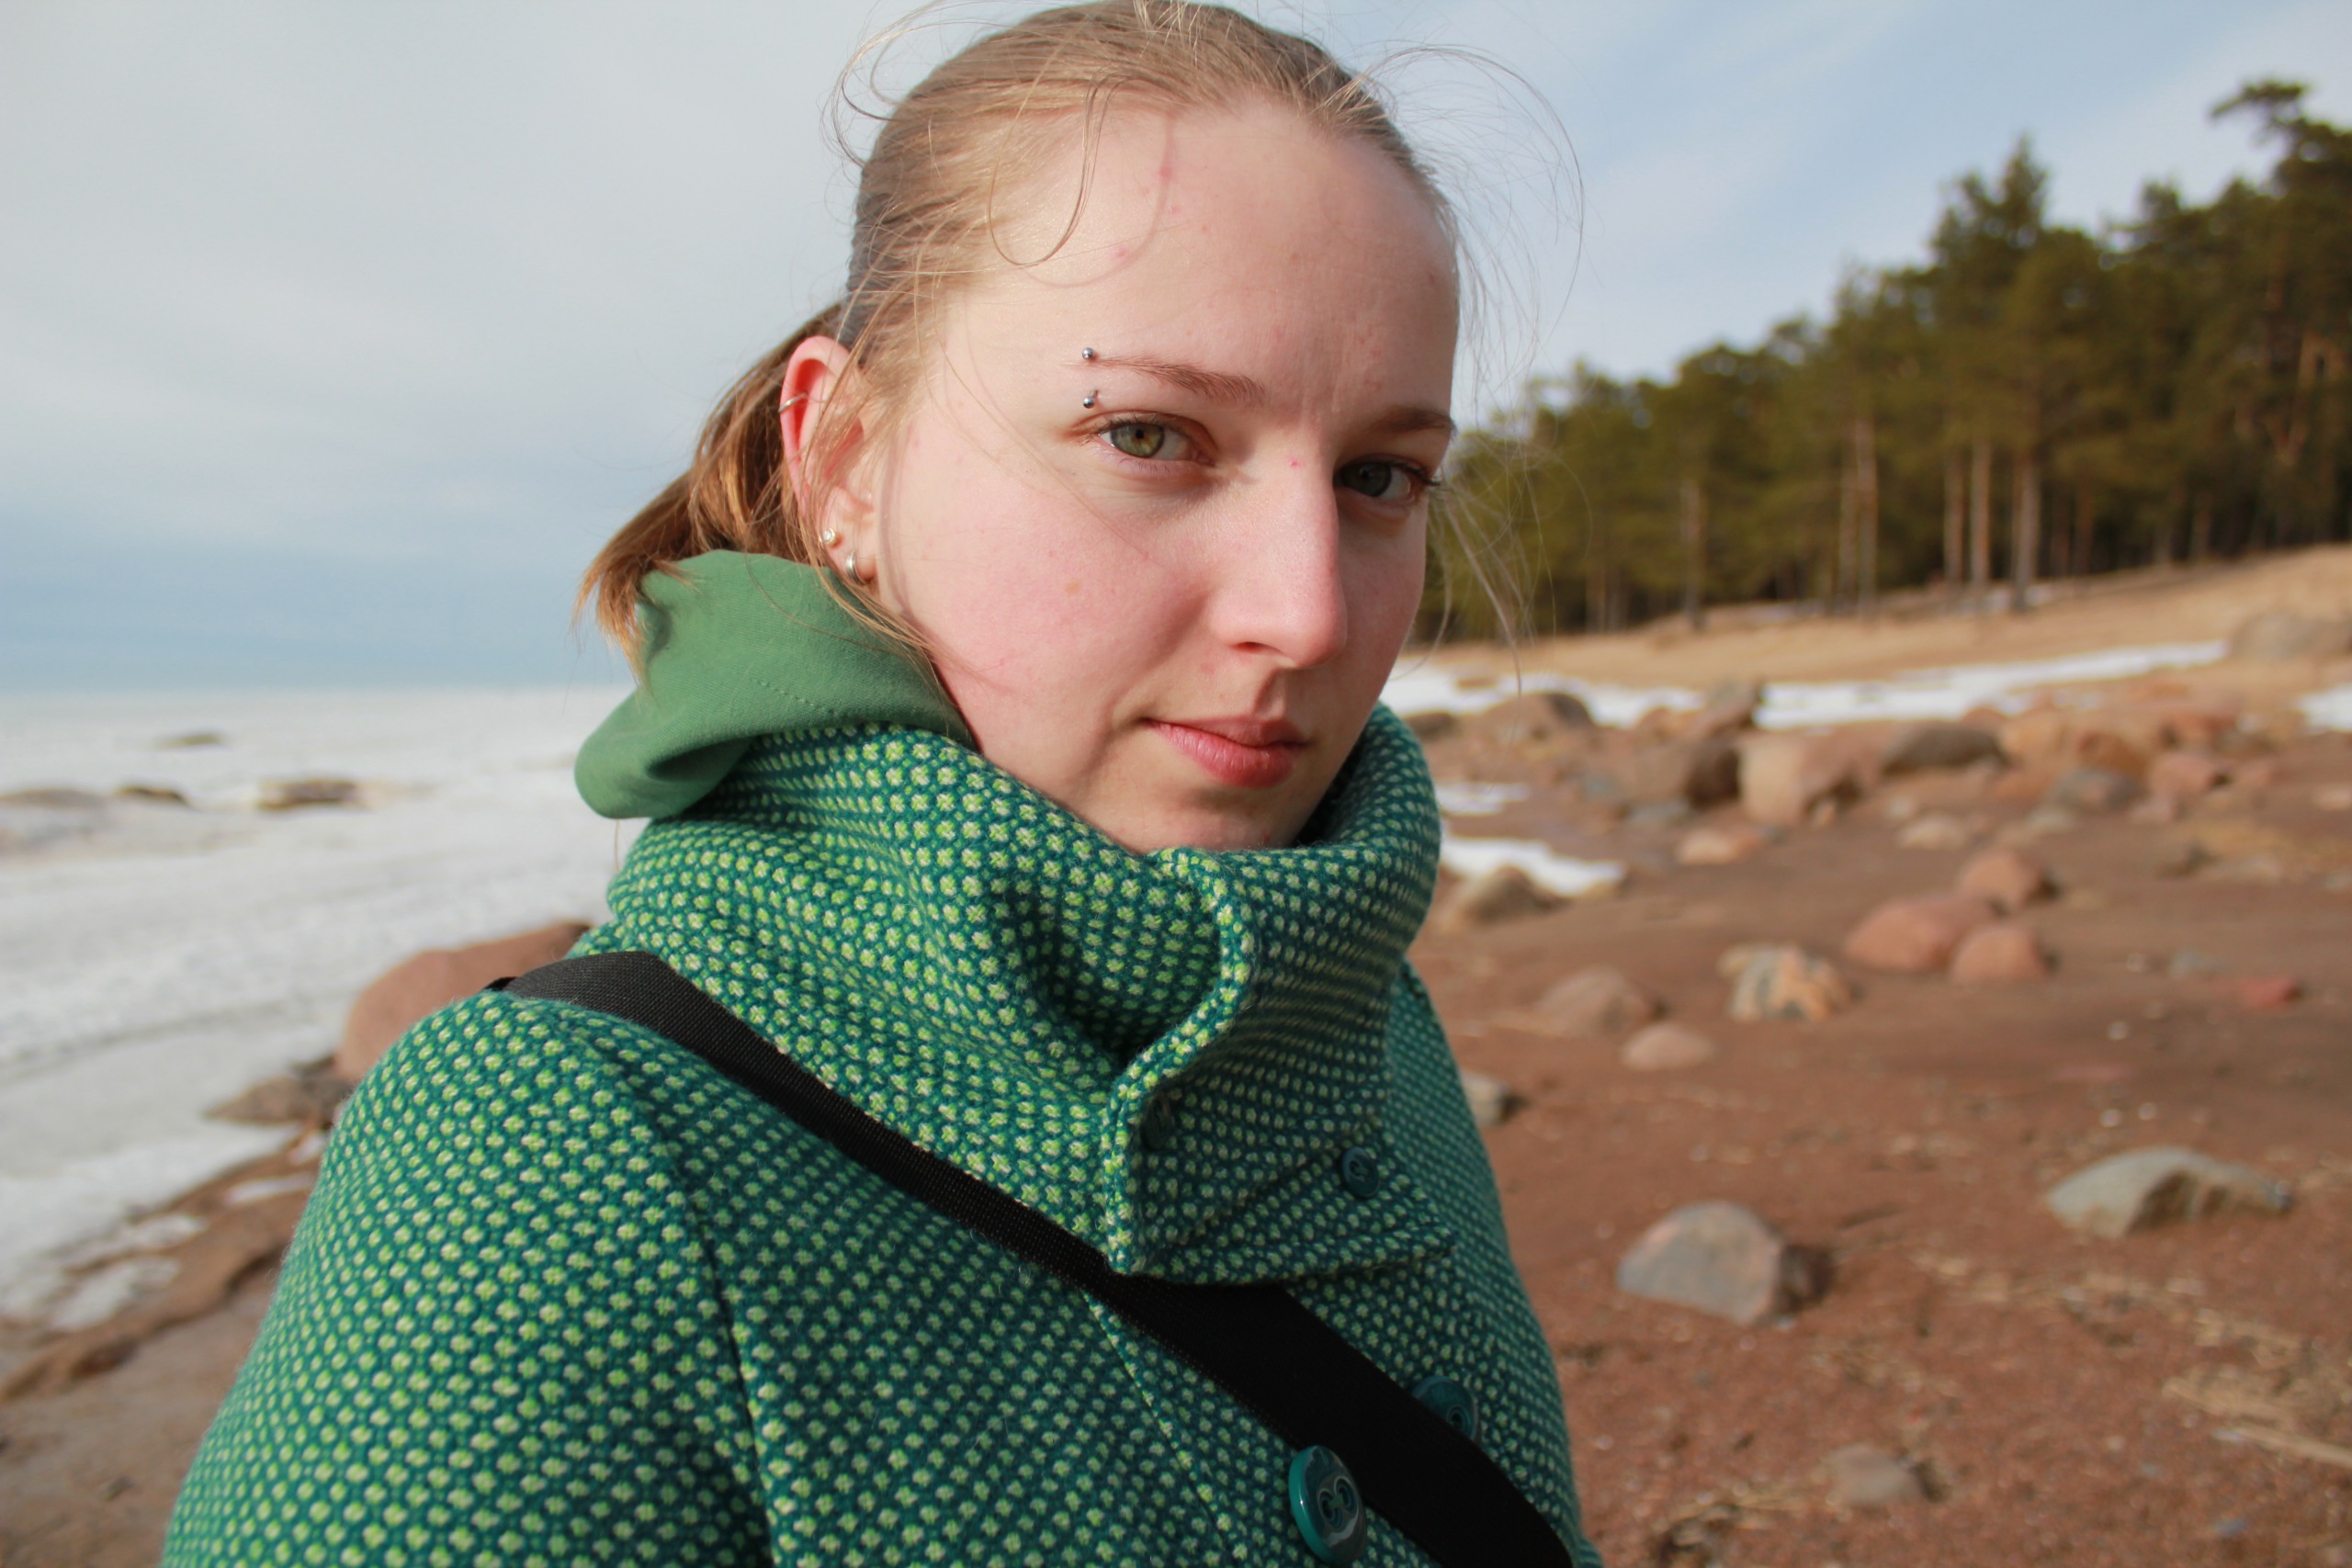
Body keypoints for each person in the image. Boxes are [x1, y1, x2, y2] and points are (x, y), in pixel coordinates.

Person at [165, 4, 1601, 1562]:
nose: (1308, 613)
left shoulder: (1358, 1007)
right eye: (1149, 435)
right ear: (846, 458)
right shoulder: (547, 1165)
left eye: (1380, 476)